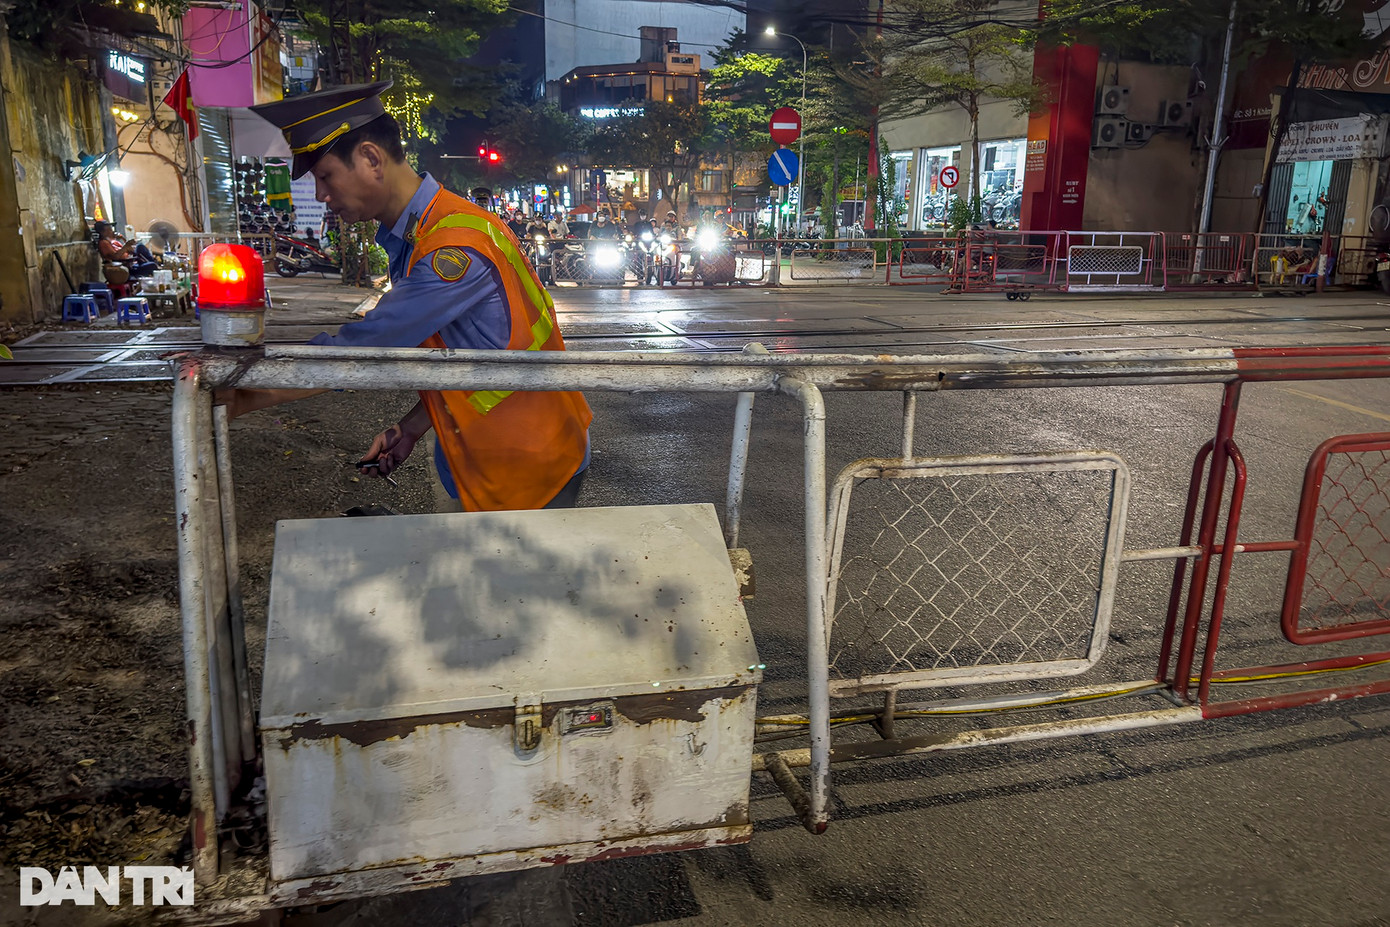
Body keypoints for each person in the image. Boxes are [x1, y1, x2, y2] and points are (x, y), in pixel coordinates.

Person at [222, 80, 592, 513]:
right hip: (491, 454)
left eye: (325, 176)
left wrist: (242, 394)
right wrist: (413, 427)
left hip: (528, 466)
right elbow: (471, 356)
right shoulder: (425, 230)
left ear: (370, 159)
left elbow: (360, 351)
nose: (322, 196)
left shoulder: (452, 247)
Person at [94, 221, 159, 278]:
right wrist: (126, 247)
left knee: (140, 247)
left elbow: (126, 250)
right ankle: (155, 264)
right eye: (109, 230)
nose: (112, 231)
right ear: (103, 232)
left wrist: (123, 240)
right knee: (152, 265)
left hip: (131, 262)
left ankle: (154, 263)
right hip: (125, 268)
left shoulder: (112, 241)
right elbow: (115, 257)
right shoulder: (103, 243)